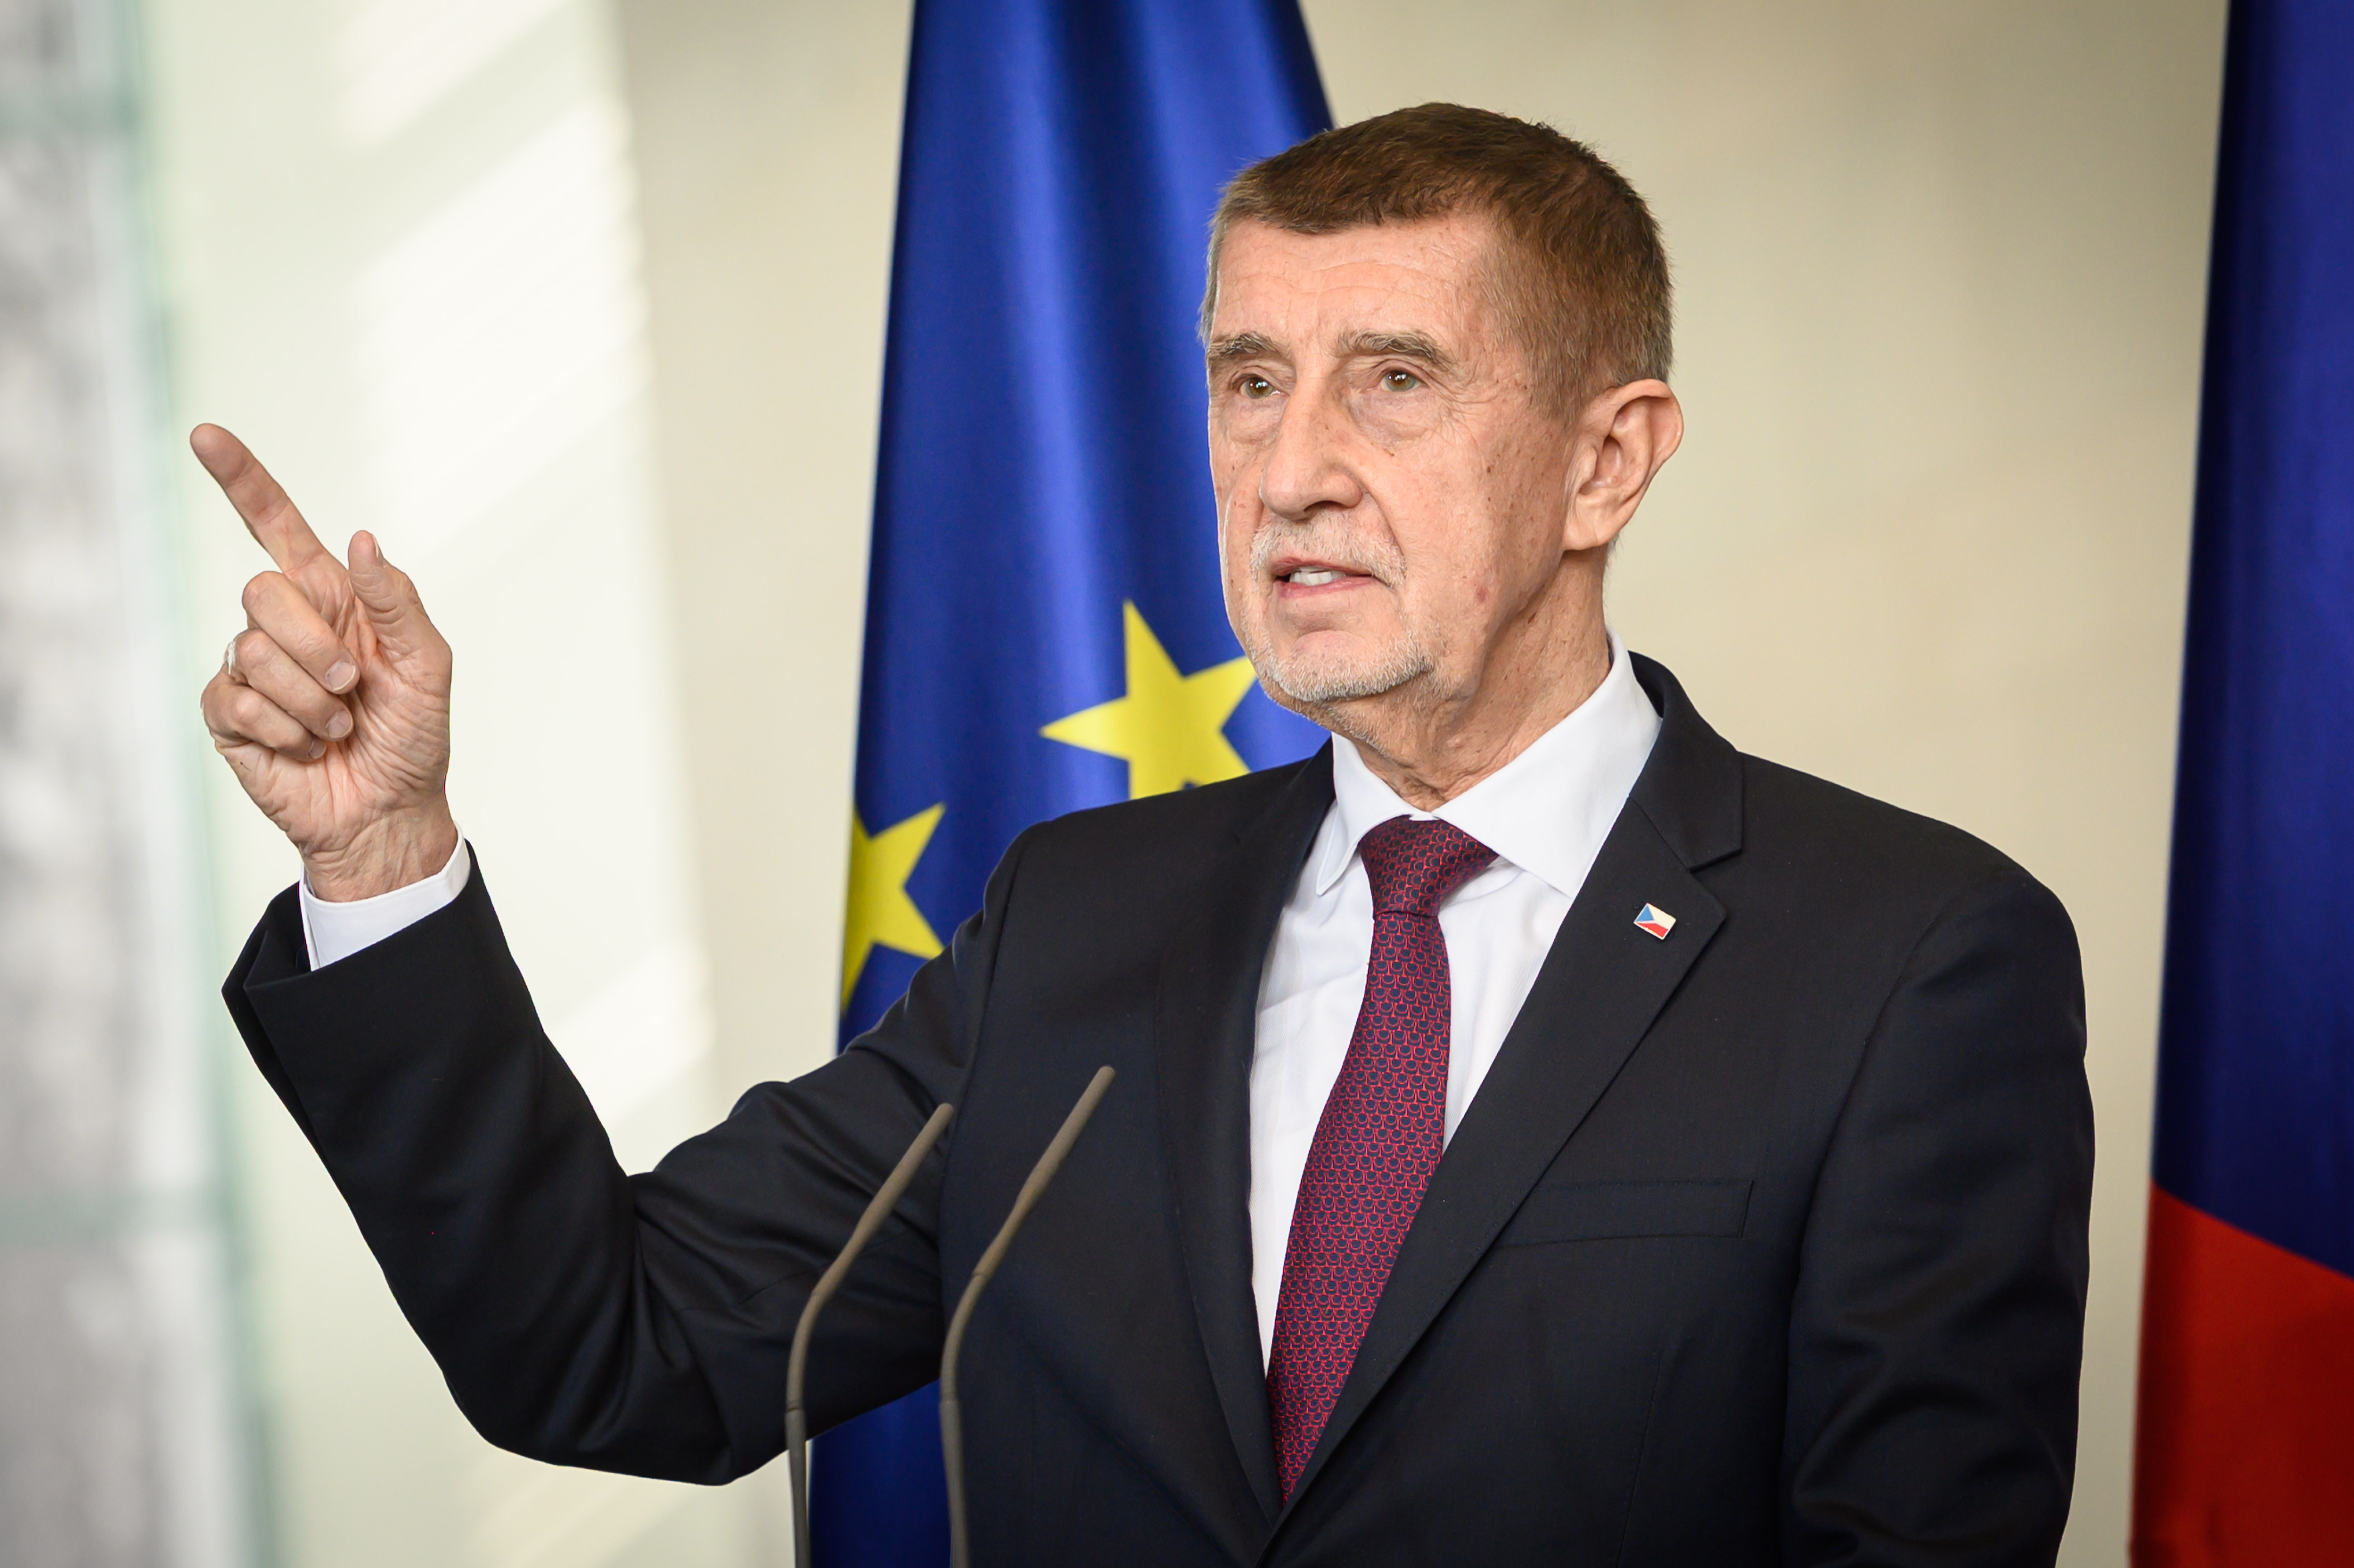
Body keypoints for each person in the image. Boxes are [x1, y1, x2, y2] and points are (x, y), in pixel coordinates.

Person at [200, 105, 2092, 1564]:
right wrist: (383, 858)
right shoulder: (1074, 921)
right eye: (1250, 378)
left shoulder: (1908, 956)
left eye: (1395, 379)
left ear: (1609, 457)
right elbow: (619, 1342)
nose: (1290, 468)